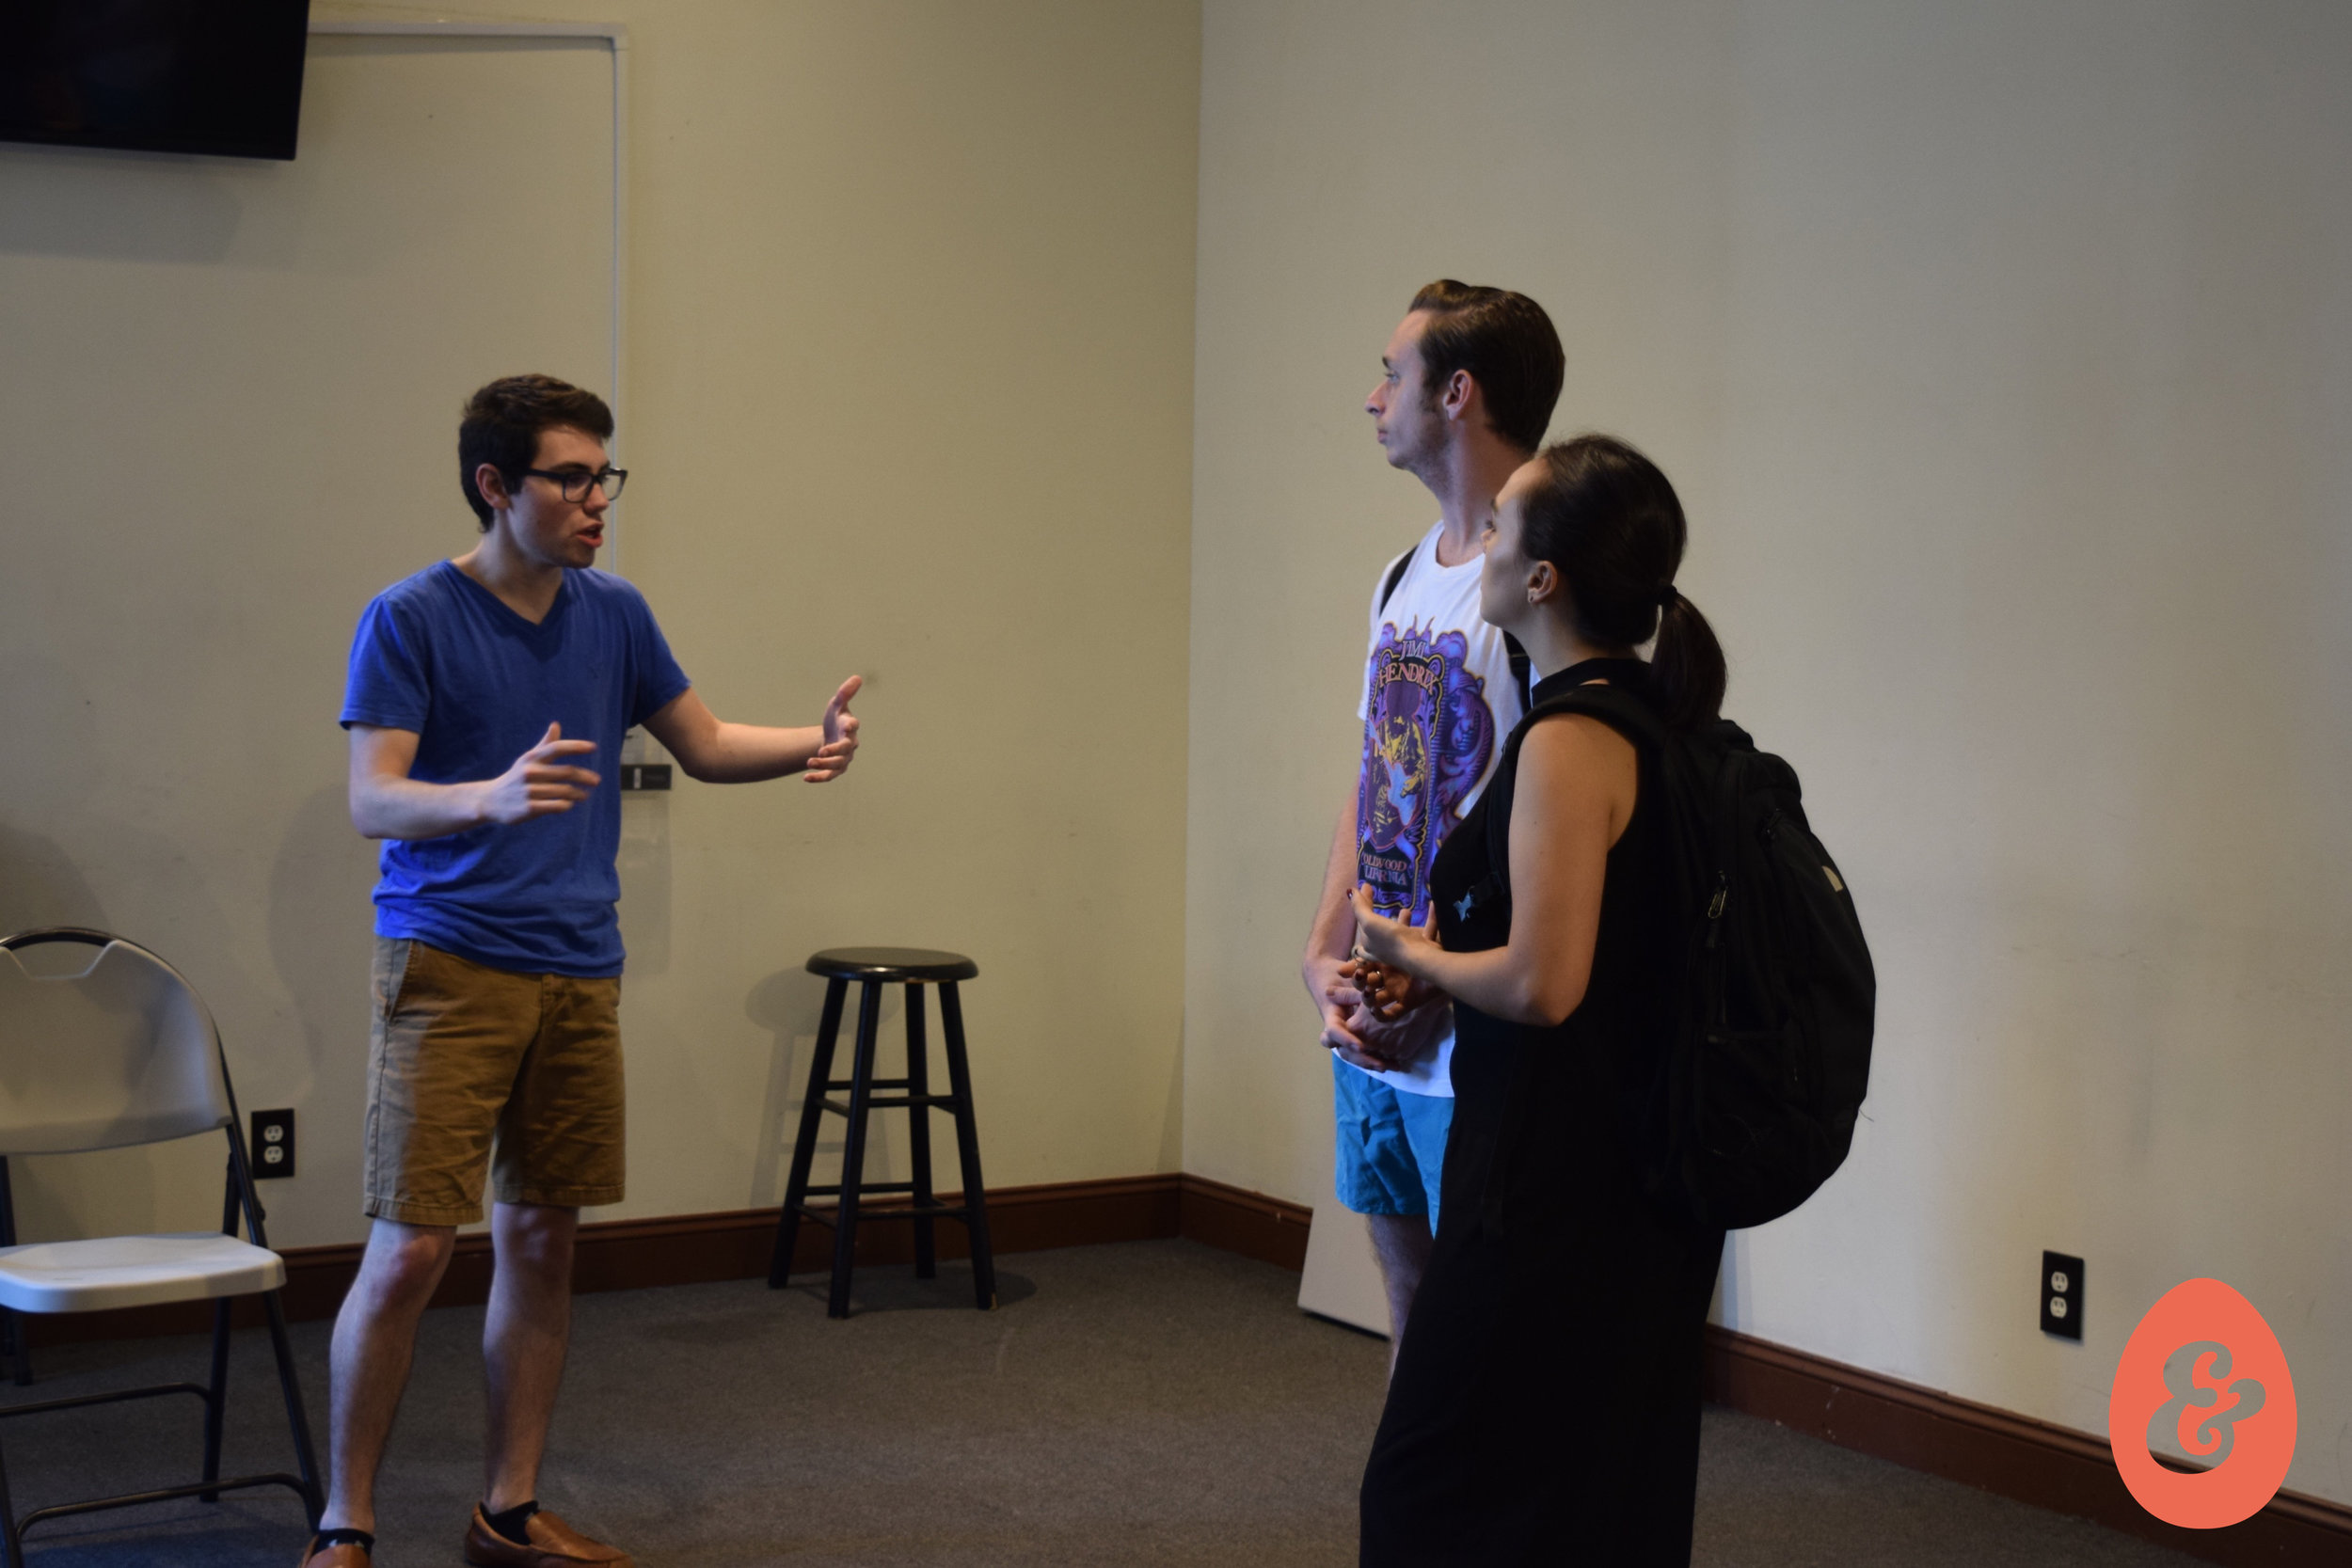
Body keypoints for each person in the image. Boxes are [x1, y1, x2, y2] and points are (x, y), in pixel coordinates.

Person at [305, 374, 863, 1568]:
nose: (597, 498)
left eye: (605, 475)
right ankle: (343, 1525)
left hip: (578, 968)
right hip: (447, 963)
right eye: (571, 477)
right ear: (496, 486)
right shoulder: (409, 615)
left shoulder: (614, 611)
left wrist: (813, 741)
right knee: (409, 1248)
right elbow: (372, 796)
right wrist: (487, 797)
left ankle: (506, 1509)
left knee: (544, 1236)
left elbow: (704, 744)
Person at [1349, 436, 1731, 1564]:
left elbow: (1542, 982)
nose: (1485, 552)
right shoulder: (1642, 718)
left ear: (1543, 579)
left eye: (1504, 529)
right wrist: (1431, 960)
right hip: (1619, 1175)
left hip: (1555, 1185)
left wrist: (1411, 955)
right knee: (1589, 1487)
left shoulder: (1571, 737)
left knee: (1427, 1487)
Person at [1300, 281, 1563, 1365]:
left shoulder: (1537, 586)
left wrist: (1441, 987)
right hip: (1375, 1015)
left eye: (1392, 374)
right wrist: (1323, 950)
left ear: (1456, 394)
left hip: (1468, 1033)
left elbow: (1555, 819)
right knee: (1408, 1297)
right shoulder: (1401, 576)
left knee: (1490, 1322)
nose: (1372, 399)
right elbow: (1374, 781)